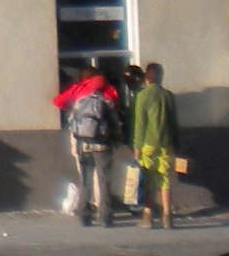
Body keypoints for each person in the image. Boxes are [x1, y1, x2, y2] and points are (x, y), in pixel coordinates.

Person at [56, 71, 121, 225]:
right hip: (102, 146)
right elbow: (114, 124)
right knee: (103, 180)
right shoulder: (108, 97)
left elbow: (70, 118)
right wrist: (116, 141)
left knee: (85, 180)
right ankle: (104, 216)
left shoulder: (79, 97)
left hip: (82, 145)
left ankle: (84, 215)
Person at [131, 60, 180, 231]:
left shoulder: (143, 96)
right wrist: (176, 143)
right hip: (166, 143)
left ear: (146, 77)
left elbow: (140, 124)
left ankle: (148, 216)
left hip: (147, 144)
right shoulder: (168, 96)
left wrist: (136, 148)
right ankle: (167, 216)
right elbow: (174, 123)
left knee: (148, 180)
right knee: (165, 179)